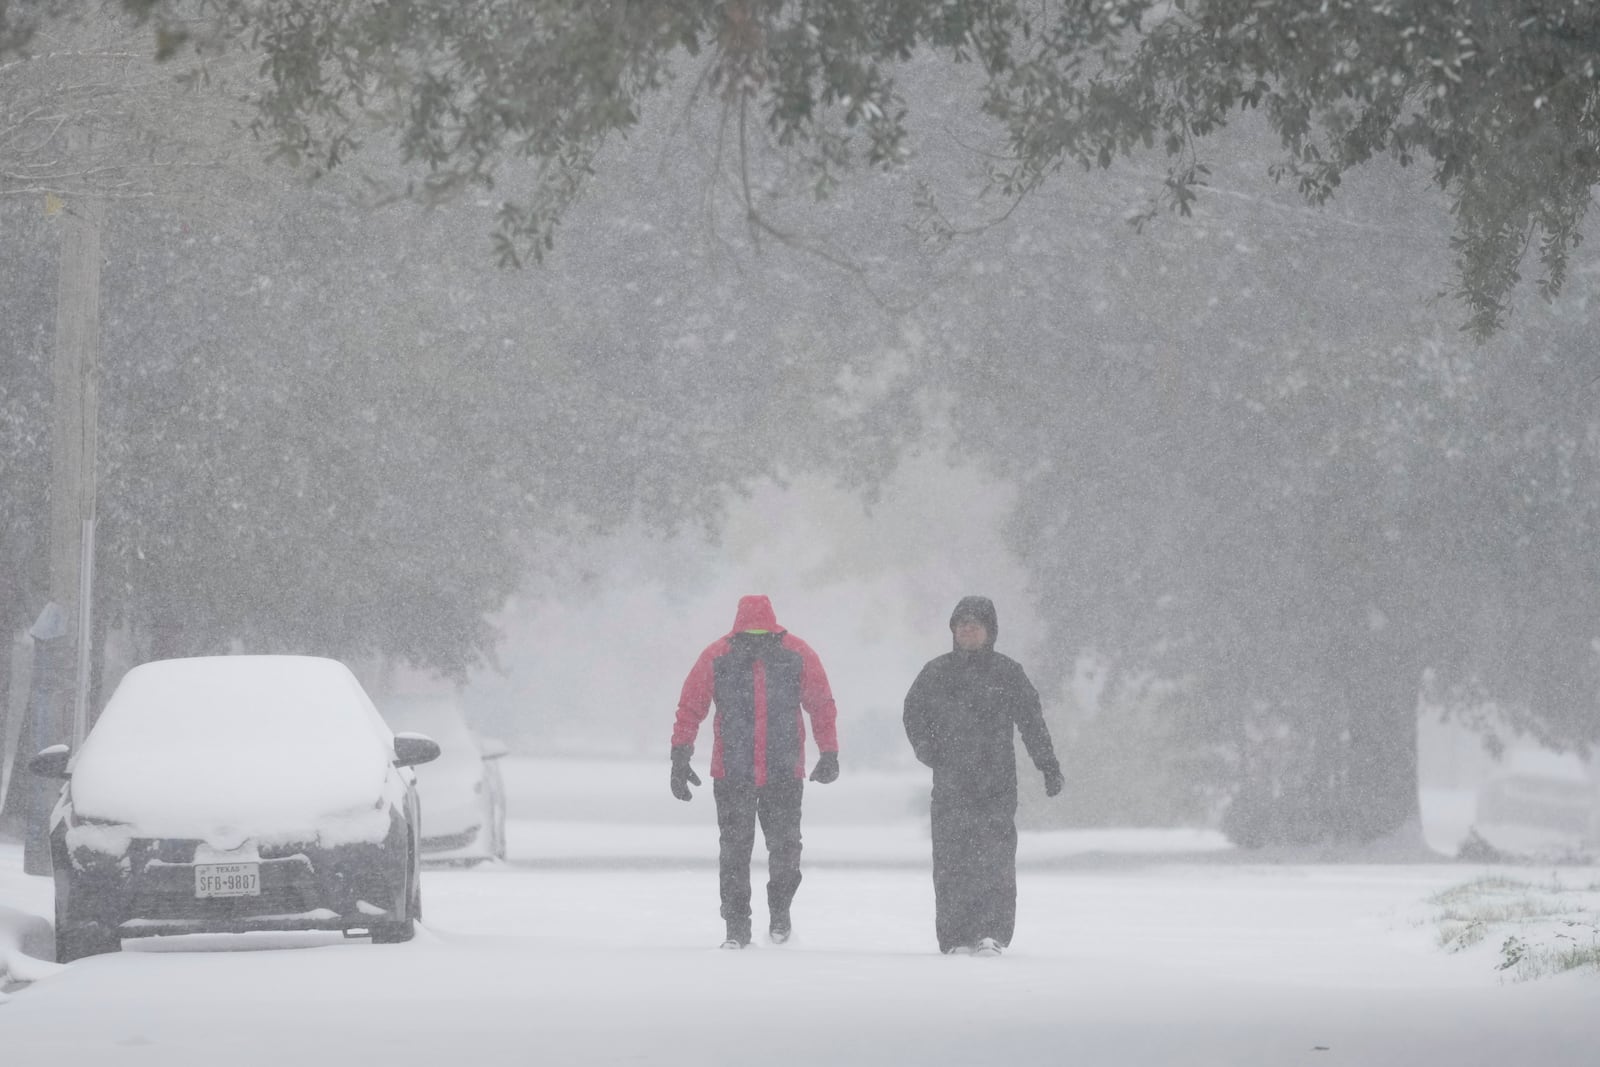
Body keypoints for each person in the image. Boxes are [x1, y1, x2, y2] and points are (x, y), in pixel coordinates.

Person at [669, 594, 840, 949]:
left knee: (765, 851)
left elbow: (821, 703)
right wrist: (680, 754)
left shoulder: (786, 654)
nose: (756, 641)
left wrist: (829, 751)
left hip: (770, 770)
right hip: (741, 772)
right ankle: (740, 925)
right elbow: (691, 704)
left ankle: (771, 913)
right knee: (761, 850)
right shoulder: (724, 656)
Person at [902, 595, 1063, 957]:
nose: (968, 629)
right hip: (951, 785)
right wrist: (928, 751)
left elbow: (1032, 724)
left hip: (996, 785)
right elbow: (913, 714)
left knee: (996, 863)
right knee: (951, 862)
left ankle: (992, 933)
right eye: (962, 624)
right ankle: (956, 936)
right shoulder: (936, 673)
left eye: (975, 624)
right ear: (953, 631)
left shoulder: (1008, 673)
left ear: (990, 631)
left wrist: (1048, 765)